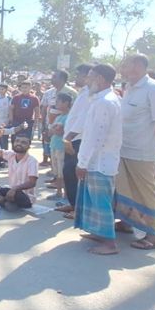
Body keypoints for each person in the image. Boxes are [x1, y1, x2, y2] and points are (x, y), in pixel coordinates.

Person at [114, 54, 155, 250]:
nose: (122, 68)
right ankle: (127, 221)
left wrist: (153, 138)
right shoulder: (129, 88)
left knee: (145, 192)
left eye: (125, 65)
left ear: (138, 66)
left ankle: (151, 235)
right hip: (124, 148)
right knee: (125, 188)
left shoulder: (154, 89)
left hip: (142, 151)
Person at [71, 64, 124, 255]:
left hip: (99, 161)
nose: (87, 80)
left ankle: (109, 243)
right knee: (94, 199)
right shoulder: (104, 99)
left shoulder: (104, 102)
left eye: (90, 77)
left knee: (101, 202)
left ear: (100, 79)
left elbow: (95, 137)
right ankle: (99, 233)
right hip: (100, 159)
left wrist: (82, 162)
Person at [58, 64, 94, 218]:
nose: (76, 77)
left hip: (79, 139)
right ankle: (73, 204)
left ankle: (79, 208)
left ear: (87, 76)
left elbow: (85, 118)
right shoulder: (84, 92)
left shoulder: (91, 94)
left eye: (79, 74)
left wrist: (70, 136)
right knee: (68, 172)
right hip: (71, 138)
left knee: (76, 173)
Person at [0, 131, 38, 210]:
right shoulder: (11, 155)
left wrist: (15, 189)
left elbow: (32, 183)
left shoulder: (32, 161)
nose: (19, 144)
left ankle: (2, 200)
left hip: (25, 197)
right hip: (11, 191)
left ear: (29, 146)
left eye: (23, 142)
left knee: (15, 198)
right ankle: (4, 201)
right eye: (17, 141)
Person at [47, 93, 73, 200]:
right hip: (54, 145)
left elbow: (60, 132)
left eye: (58, 101)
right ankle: (58, 192)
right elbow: (51, 132)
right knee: (57, 171)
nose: (56, 103)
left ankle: (66, 194)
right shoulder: (59, 117)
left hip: (62, 147)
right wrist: (54, 130)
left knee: (63, 172)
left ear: (66, 103)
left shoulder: (69, 117)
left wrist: (55, 130)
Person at [0, 84, 12, 149]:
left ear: (6, 90)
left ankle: (5, 155)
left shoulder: (9, 99)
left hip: (4, 122)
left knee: (4, 140)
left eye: (2, 89)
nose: (0, 91)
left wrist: (10, 120)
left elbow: (10, 110)